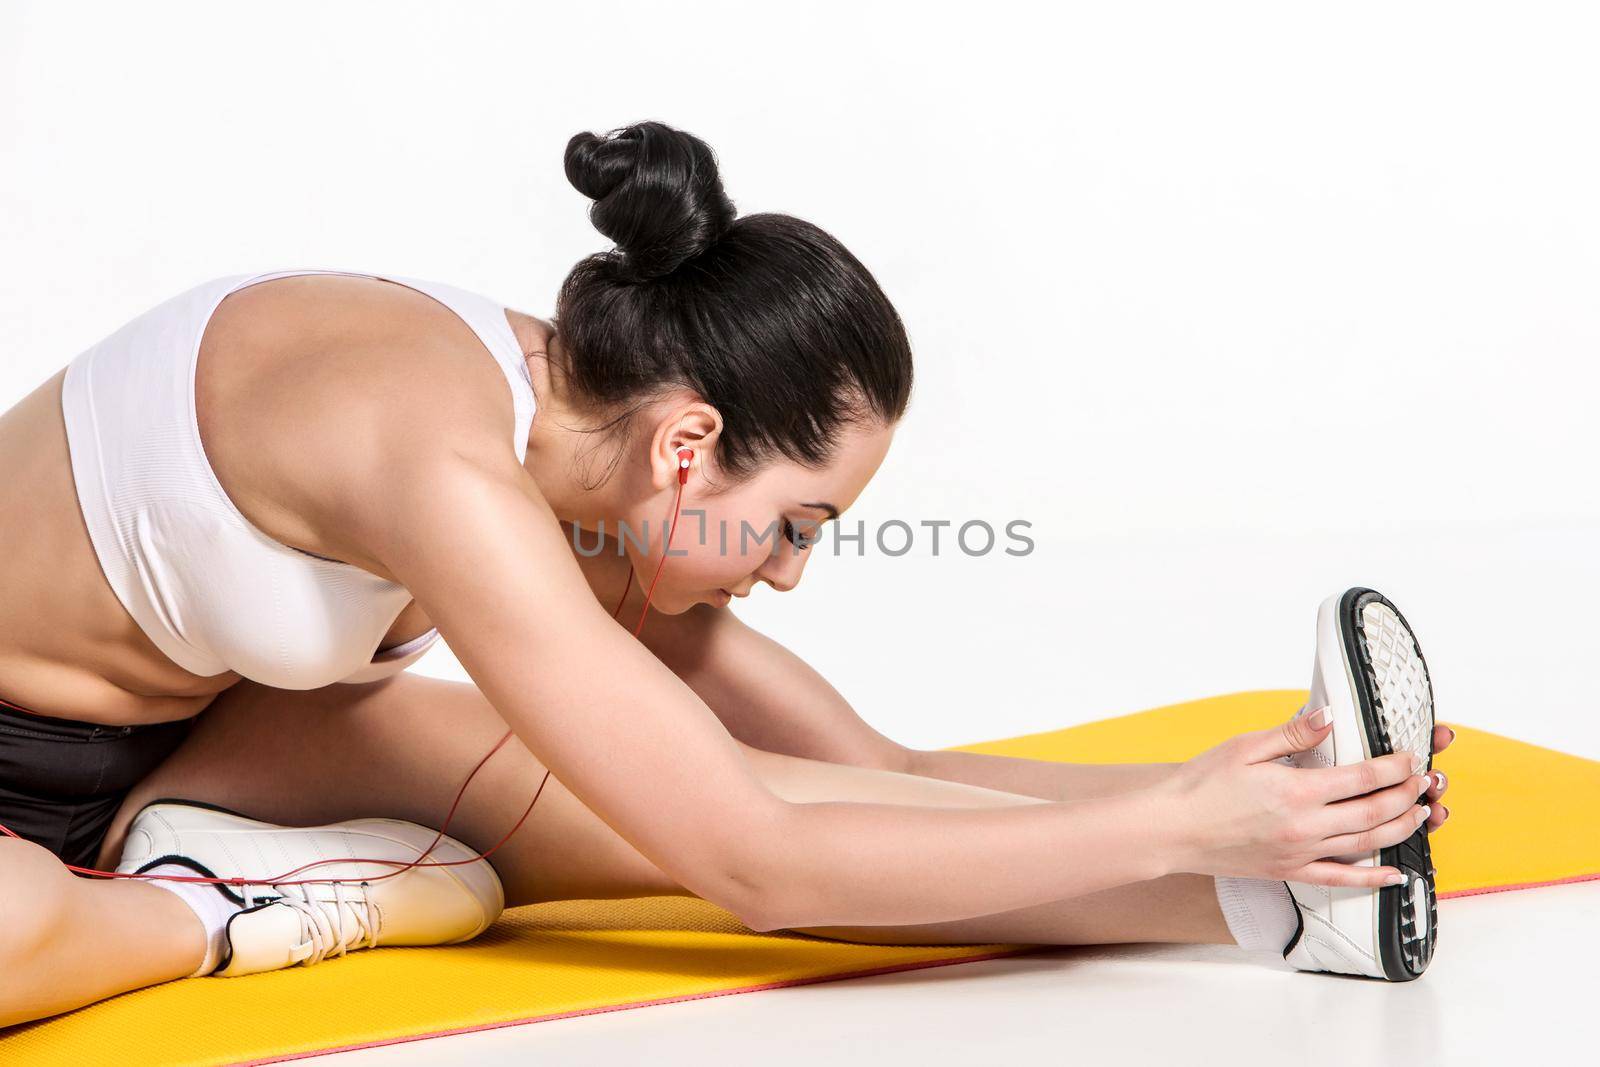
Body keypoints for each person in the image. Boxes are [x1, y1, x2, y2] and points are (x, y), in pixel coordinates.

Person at [0, 121, 1454, 1027]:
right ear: (692, 446)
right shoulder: (440, 462)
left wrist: (1273, 805)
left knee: (718, 801)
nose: (790, 574)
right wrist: (1174, 816)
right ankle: (228, 910)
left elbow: (875, 773)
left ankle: (1286, 907)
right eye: (796, 523)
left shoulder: (588, 444)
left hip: (200, 743)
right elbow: (754, 863)